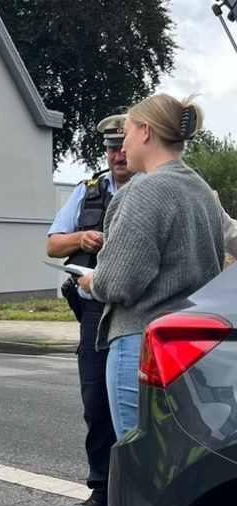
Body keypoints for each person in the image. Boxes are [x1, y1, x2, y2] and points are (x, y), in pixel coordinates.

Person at [78, 94, 224, 438]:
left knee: (141, 461)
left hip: (142, 345)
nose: (123, 145)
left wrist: (91, 282)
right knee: (181, 457)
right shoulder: (201, 189)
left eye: (126, 132)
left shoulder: (145, 191)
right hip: (193, 345)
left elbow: (117, 284)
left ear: (145, 132)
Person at [46, 114, 133, 506]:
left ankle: (138, 493)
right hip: (95, 310)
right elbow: (53, 245)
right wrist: (80, 239)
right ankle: (102, 489)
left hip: (139, 309)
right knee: (97, 401)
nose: (117, 155)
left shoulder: (153, 189)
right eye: (111, 148)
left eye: (123, 146)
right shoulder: (89, 191)